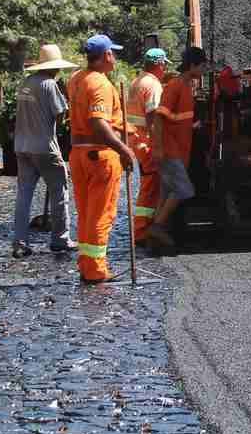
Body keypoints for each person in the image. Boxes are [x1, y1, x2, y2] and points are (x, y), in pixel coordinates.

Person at [66, 34, 139, 283]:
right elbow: (98, 123)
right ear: (107, 55)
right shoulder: (100, 84)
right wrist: (123, 149)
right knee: (101, 213)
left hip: (79, 154)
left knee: (86, 213)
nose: (115, 57)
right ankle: (96, 270)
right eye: (113, 53)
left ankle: (87, 265)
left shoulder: (76, 79)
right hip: (101, 156)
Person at [11, 43, 77, 258]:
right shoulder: (49, 84)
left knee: (24, 195)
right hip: (44, 148)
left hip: (22, 147)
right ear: (55, 67)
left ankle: (20, 243)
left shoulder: (26, 83)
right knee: (60, 191)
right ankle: (60, 239)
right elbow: (60, 115)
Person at [147, 46, 208, 248]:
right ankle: (157, 227)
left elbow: (175, 118)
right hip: (170, 150)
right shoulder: (175, 86)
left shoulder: (185, 87)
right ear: (192, 66)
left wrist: (192, 125)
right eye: (202, 66)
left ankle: (154, 234)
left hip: (177, 150)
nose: (204, 70)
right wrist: (157, 147)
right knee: (184, 190)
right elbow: (159, 117)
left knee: (166, 192)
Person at [124, 48, 169, 251]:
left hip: (136, 140)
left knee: (148, 185)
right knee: (150, 187)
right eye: (164, 64)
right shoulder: (152, 85)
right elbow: (153, 117)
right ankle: (142, 231)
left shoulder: (137, 81)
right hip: (147, 142)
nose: (165, 68)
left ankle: (143, 228)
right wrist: (159, 145)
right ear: (159, 65)